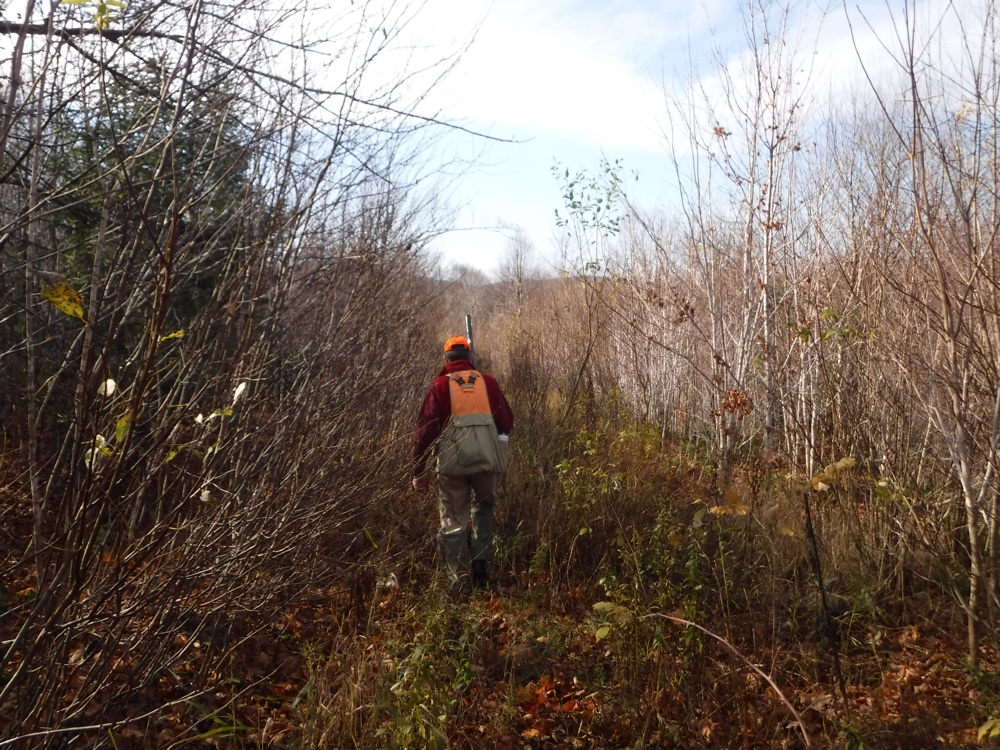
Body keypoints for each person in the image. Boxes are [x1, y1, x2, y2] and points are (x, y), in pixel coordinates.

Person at [412, 336, 514, 594]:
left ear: (446, 359)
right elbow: (507, 421)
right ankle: (481, 566)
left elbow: (425, 432)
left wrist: (418, 470)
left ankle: (457, 579)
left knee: (453, 519)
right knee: (483, 509)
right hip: (486, 460)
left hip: (452, 463)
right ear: (469, 358)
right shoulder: (488, 382)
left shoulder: (438, 386)